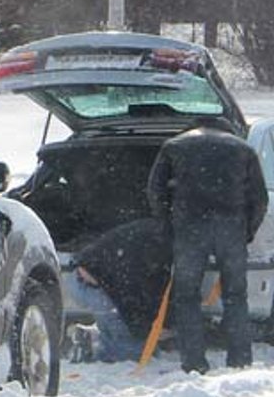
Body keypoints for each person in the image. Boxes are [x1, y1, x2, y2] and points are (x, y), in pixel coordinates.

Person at [147, 116, 268, 374]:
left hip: (190, 228)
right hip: (231, 227)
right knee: (235, 296)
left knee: (187, 296)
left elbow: (154, 191)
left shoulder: (173, 146)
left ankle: (194, 362)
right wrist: (247, 231)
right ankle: (239, 359)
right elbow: (260, 198)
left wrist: (168, 226)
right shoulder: (243, 149)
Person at [67, 217, 172, 362]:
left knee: (128, 335)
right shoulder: (149, 255)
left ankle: (93, 335)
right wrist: (147, 328)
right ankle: (92, 348)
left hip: (86, 277)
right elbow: (129, 297)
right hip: (90, 284)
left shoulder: (152, 231)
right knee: (133, 353)